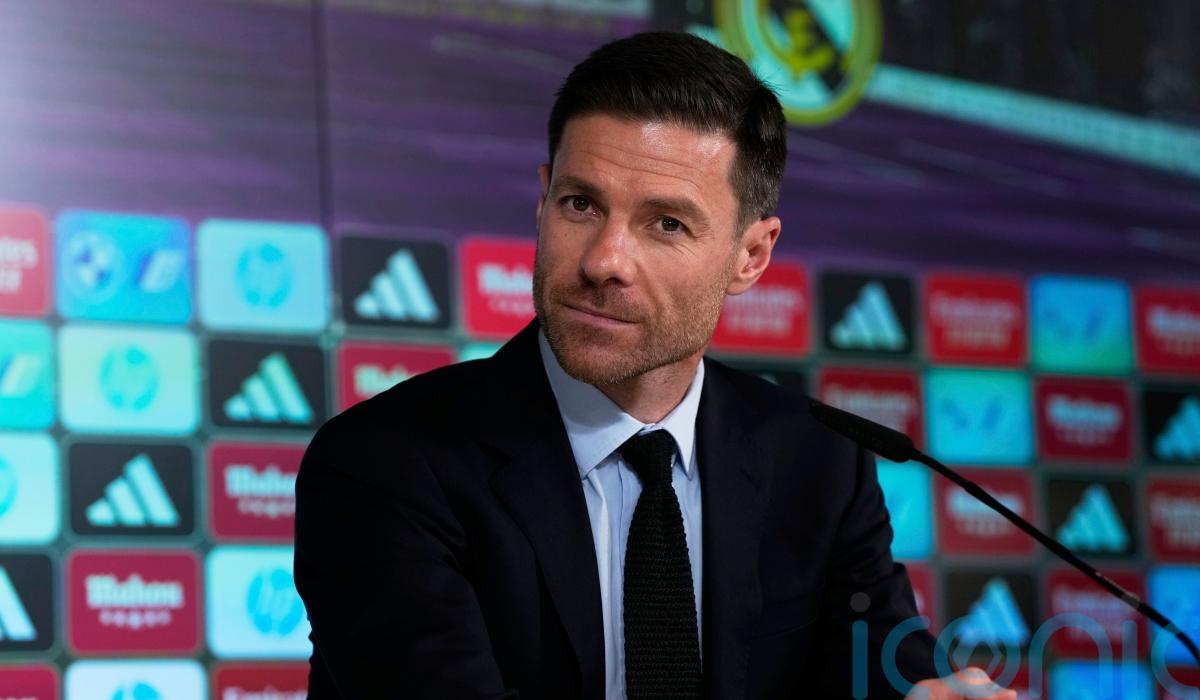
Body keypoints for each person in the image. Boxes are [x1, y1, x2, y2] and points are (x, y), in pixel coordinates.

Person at [294, 31, 1015, 700]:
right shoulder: (385, 465)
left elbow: (883, 671)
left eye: (667, 223)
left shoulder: (819, 462)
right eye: (580, 204)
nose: (604, 261)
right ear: (542, 201)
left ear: (751, 255)